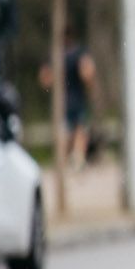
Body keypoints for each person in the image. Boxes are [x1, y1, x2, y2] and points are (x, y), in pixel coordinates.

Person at [39, 32, 96, 173]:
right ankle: (76, 160)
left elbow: (44, 79)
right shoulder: (79, 53)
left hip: (63, 100)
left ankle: (66, 162)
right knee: (78, 130)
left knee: (69, 132)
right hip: (74, 98)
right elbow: (88, 73)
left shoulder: (55, 56)